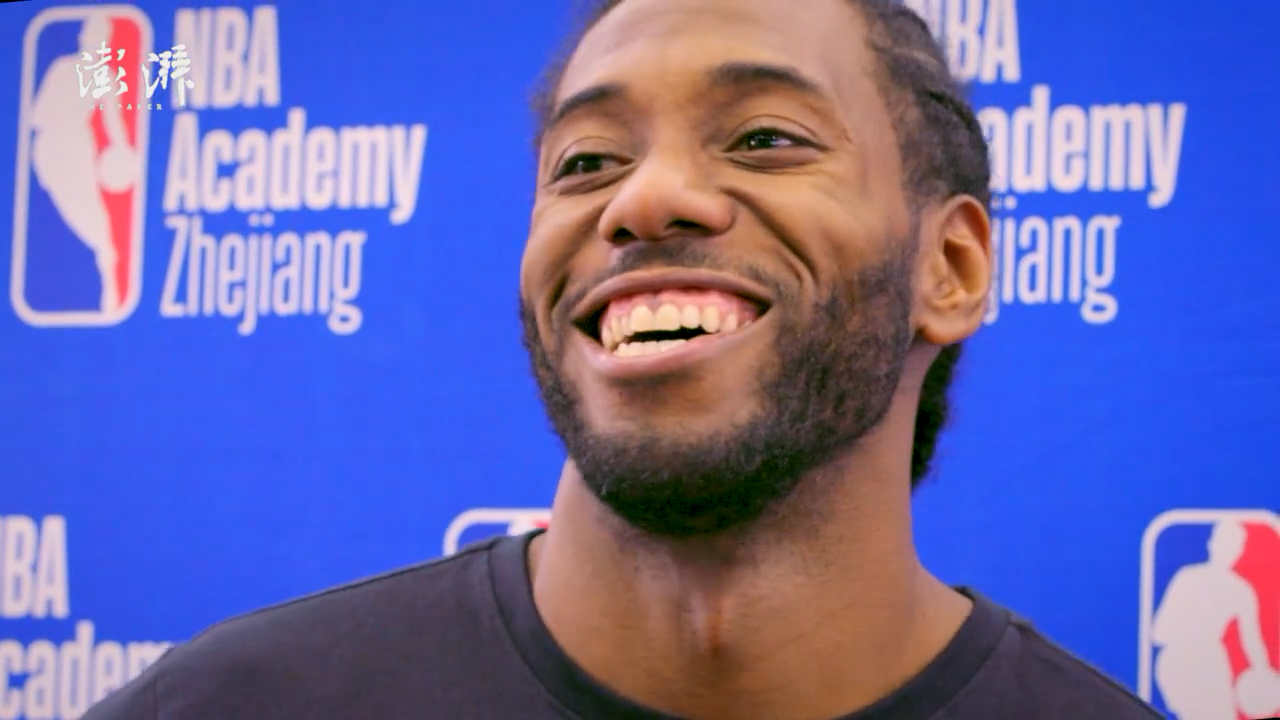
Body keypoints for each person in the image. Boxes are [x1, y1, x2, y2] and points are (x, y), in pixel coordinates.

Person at [83, 0, 1161, 717]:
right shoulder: (228, 707)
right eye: (587, 160)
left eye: (764, 138)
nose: (644, 199)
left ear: (952, 268)